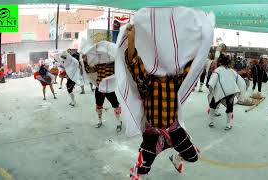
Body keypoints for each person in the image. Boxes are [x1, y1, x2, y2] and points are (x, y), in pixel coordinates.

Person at [116, 7, 215, 179]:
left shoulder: (175, 81)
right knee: (141, 170)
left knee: (193, 157)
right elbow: (133, 62)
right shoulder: (146, 82)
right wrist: (132, 41)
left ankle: (175, 157)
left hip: (174, 130)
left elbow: (191, 65)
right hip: (152, 134)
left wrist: (200, 40)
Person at [81, 41, 122, 131]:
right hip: (99, 88)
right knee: (99, 105)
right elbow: (89, 70)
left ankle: (119, 122)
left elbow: (121, 71)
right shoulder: (99, 65)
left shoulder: (114, 64)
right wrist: (85, 61)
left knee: (116, 105)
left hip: (109, 89)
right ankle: (99, 121)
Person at [207, 54, 246, 130]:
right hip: (231, 92)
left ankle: (211, 122)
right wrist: (240, 94)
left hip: (218, 92)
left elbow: (212, 82)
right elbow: (241, 82)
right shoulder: (232, 71)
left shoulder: (217, 70)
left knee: (213, 106)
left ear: (220, 62)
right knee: (229, 108)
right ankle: (228, 124)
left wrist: (211, 91)